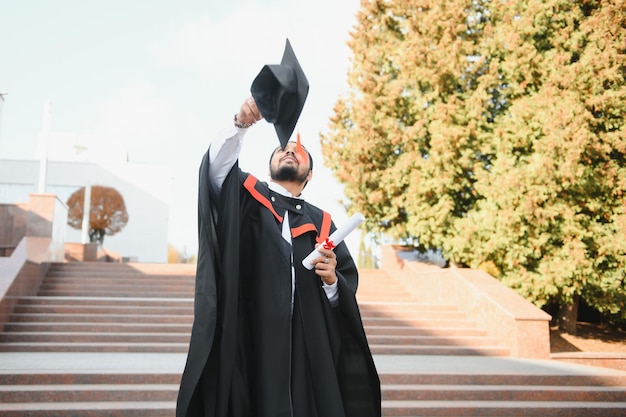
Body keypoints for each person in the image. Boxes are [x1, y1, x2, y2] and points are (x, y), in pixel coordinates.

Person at [175, 95, 381, 417]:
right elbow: (216, 173)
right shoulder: (246, 195)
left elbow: (342, 299)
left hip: (305, 350)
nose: (290, 150)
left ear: (309, 174)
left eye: (299, 152)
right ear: (270, 164)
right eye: (283, 148)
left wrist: (330, 280)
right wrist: (240, 124)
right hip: (249, 339)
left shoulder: (323, 223)